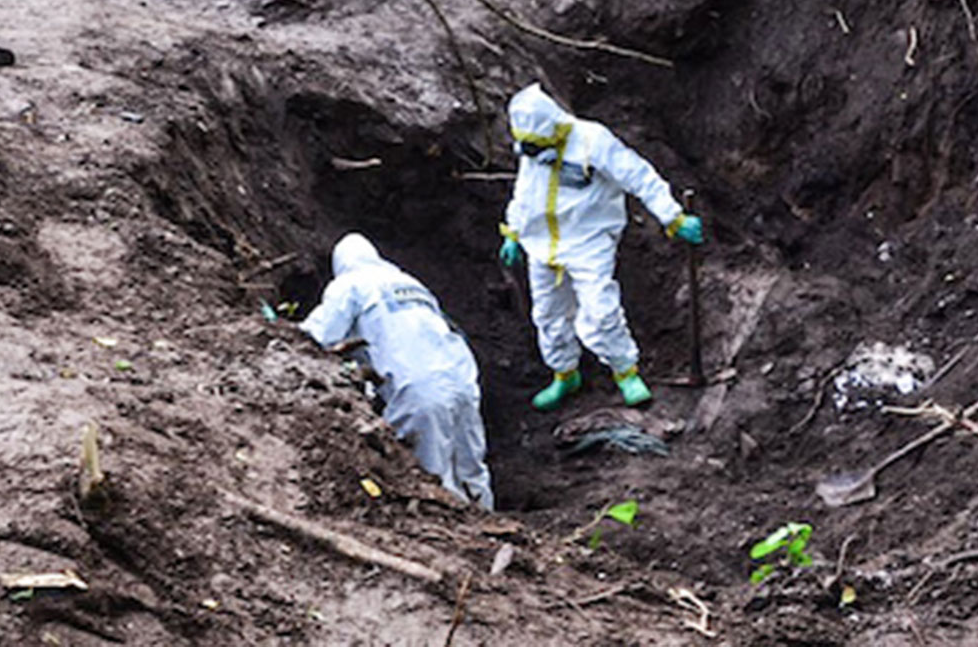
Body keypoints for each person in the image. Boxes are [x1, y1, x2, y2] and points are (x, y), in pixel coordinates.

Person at [496, 83, 704, 412]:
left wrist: (672, 216)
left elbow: (638, 177)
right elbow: (526, 191)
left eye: (536, 145)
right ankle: (565, 374)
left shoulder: (593, 141)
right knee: (548, 314)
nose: (531, 152)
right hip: (541, 244)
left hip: (588, 241)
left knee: (601, 309)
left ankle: (625, 371)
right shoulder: (533, 150)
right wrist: (514, 232)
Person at [299, 233, 494, 510]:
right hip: (461, 380)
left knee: (432, 478)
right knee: (471, 470)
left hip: (416, 386)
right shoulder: (412, 284)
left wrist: (278, 327)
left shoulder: (350, 284)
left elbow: (318, 335)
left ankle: (447, 545)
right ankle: (488, 533)